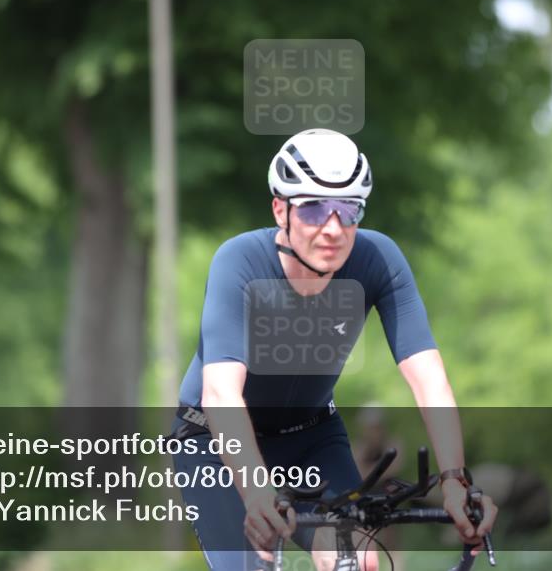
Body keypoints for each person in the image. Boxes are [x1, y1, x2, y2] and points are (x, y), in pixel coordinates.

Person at [169, 129, 497, 571]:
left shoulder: (378, 259)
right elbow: (222, 395)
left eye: (348, 210)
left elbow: (429, 379)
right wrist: (258, 492)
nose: (332, 228)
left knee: (358, 561)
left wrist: (456, 481)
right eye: (314, 208)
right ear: (280, 209)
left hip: (312, 441)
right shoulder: (239, 262)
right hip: (214, 444)